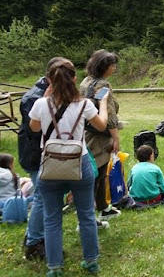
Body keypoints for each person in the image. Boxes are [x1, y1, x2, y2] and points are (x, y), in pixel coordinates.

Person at [28, 58, 109, 276]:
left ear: (48, 81)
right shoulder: (84, 104)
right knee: (86, 215)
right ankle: (91, 261)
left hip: (50, 165)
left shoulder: (40, 104)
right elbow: (101, 124)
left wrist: (46, 99)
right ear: (74, 78)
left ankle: (54, 267)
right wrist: (102, 104)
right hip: (79, 163)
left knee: (52, 218)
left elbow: (34, 128)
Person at [18, 57, 64, 260]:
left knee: (46, 197)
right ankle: (34, 243)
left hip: (49, 155)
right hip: (36, 156)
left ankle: (34, 235)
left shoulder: (55, 93)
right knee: (43, 198)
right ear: (49, 78)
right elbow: (35, 131)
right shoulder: (33, 98)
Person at [79, 49, 122, 221]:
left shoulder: (86, 81)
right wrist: (116, 138)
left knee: (97, 171)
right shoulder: (103, 86)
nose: (115, 68)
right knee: (97, 173)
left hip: (87, 131)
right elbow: (109, 114)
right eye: (113, 65)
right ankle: (92, 214)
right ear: (104, 66)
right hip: (100, 135)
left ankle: (103, 207)